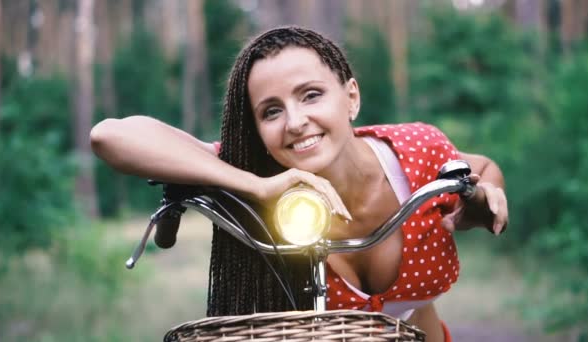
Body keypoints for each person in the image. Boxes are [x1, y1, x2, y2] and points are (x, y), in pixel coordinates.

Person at [90, 26, 508, 342]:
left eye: (310, 95)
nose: (294, 122)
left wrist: (488, 195)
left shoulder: (419, 151)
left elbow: (483, 168)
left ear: (351, 98)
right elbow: (110, 136)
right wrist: (257, 187)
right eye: (271, 111)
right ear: (256, 130)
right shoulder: (260, 175)